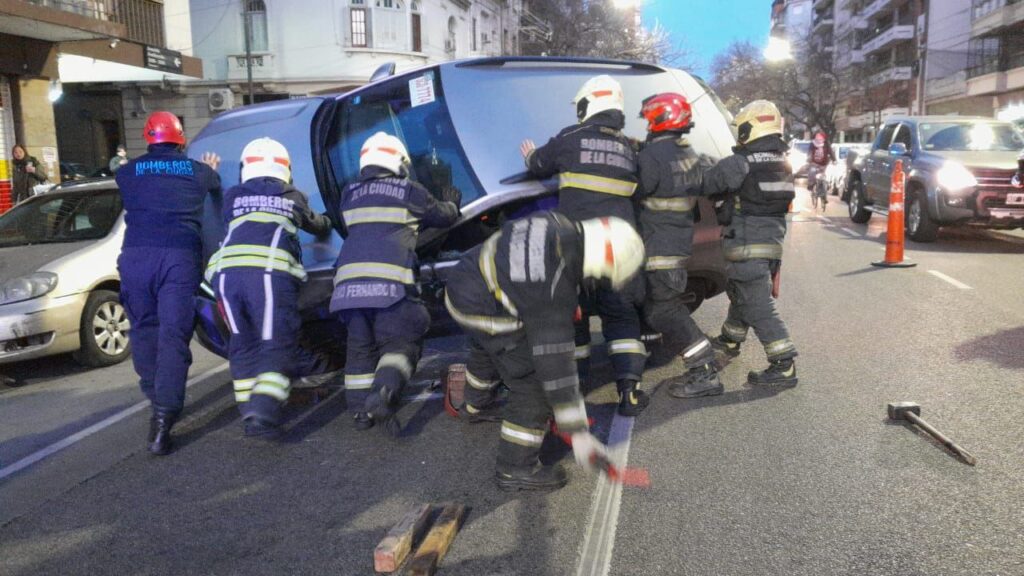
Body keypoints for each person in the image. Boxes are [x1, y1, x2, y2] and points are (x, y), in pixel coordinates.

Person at [445, 213, 644, 491]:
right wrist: (576, 431)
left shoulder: (556, 222)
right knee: (532, 387)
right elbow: (555, 366)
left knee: (487, 347)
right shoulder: (550, 288)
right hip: (482, 306)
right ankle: (514, 467)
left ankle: (475, 403)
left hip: (466, 278)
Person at [519, 74, 648, 417]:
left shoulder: (570, 138)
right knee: (621, 316)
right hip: (618, 247)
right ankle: (630, 389)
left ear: (586, 105)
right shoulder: (630, 148)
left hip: (577, 245)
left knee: (573, 315)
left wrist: (530, 155)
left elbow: (537, 165)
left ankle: (576, 388)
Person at [330, 132, 460, 435]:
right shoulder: (410, 191)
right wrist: (452, 203)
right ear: (400, 162)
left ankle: (362, 414)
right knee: (402, 342)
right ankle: (383, 393)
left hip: (347, 286)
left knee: (360, 350)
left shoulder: (349, 194)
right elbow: (442, 217)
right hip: (390, 286)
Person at [207, 138, 333, 438]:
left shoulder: (233, 196)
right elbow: (319, 225)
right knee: (278, 340)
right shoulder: (292, 195)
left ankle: (249, 410)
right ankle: (263, 409)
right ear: (285, 168)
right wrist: (330, 220)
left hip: (224, 276)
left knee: (243, 341)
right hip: (266, 274)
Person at [115, 111, 222, 455]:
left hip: (136, 258)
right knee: (174, 335)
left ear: (148, 138)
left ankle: (156, 397)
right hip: (178, 258)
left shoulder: (127, 172)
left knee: (144, 329)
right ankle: (163, 418)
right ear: (180, 140)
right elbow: (216, 187)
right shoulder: (198, 172)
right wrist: (210, 168)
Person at [634, 93, 723, 399]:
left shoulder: (651, 158)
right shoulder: (689, 154)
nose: (646, 126)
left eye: (648, 120)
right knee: (656, 308)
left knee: (663, 312)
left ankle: (704, 369)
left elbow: (633, 190)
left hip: (658, 249)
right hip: (676, 247)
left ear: (659, 120)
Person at [704, 100, 798, 387]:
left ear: (750, 128)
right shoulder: (783, 163)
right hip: (771, 246)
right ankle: (731, 339)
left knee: (757, 304)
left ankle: (783, 363)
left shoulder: (740, 163)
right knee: (742, 293)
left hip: (746, 246)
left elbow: (708, 184)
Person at [807, 131, 834, 211]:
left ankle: (824, 196)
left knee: (824, 179)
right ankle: (811, 185)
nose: (819, 138)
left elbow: (831, 152)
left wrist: (834, 160)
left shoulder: (826, 144)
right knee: (812, 172)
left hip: (824, 164)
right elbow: (809, 152)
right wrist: (808, 159)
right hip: (814, 163)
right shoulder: (812, 144)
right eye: (817, 136)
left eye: (821, 137)